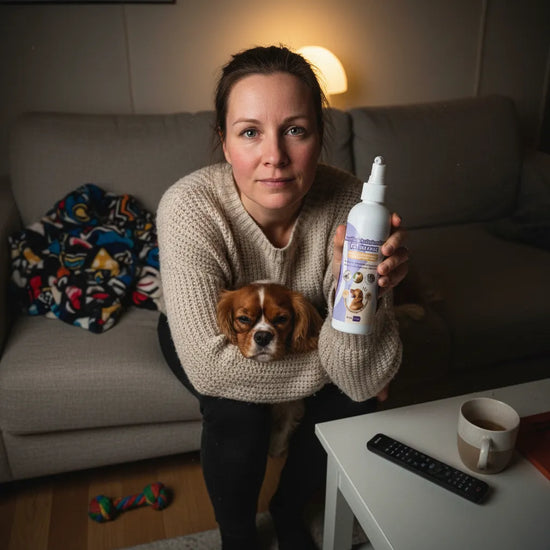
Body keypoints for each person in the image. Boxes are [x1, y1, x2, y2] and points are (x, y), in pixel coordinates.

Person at [156, 45, 408, 550]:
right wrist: (336, 369)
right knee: (236, 410)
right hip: (205, 332)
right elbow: (212, 369)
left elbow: (363, 379)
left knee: (353, 402)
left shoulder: (353, 206)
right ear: (224, 141)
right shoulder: (188, 207)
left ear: (319, 137)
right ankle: (237, 537)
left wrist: (376, 300)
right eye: (250, 132)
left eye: (295, 130)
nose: (274, 155)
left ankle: (289, 509)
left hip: (308, 332)